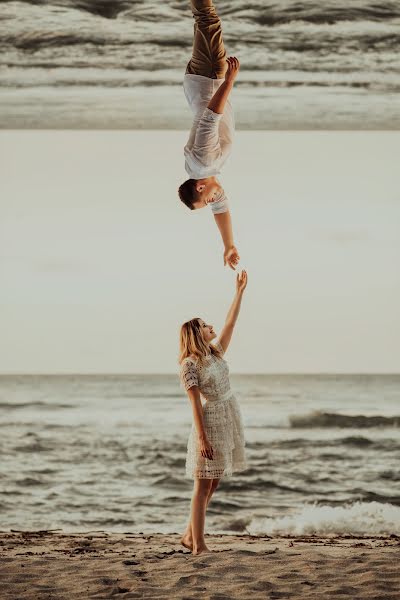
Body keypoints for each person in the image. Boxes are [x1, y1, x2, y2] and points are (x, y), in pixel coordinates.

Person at [179, 269, 248, 555]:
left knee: (214, 481)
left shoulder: (215, 353)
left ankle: (188, 535)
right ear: (197, 334)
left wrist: (239, 292)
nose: (211, 327)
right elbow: (194, 404)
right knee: (202, 485)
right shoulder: (190, 365)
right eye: (205, 325)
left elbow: (231, 323)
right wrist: (202, 439)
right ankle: (199, 545)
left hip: (227, 417)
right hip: (208, 422)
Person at [178, 0, 241, 270]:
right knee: (203, 19)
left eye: (207, 199)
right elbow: (221, 208)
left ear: (201, 187)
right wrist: (228, 245)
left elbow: (210, 118)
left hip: (210, 77)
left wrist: (228, 81)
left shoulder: (204, 162)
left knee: (207, 17)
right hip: (203, 81)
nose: (214, 200)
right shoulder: (202, 169)